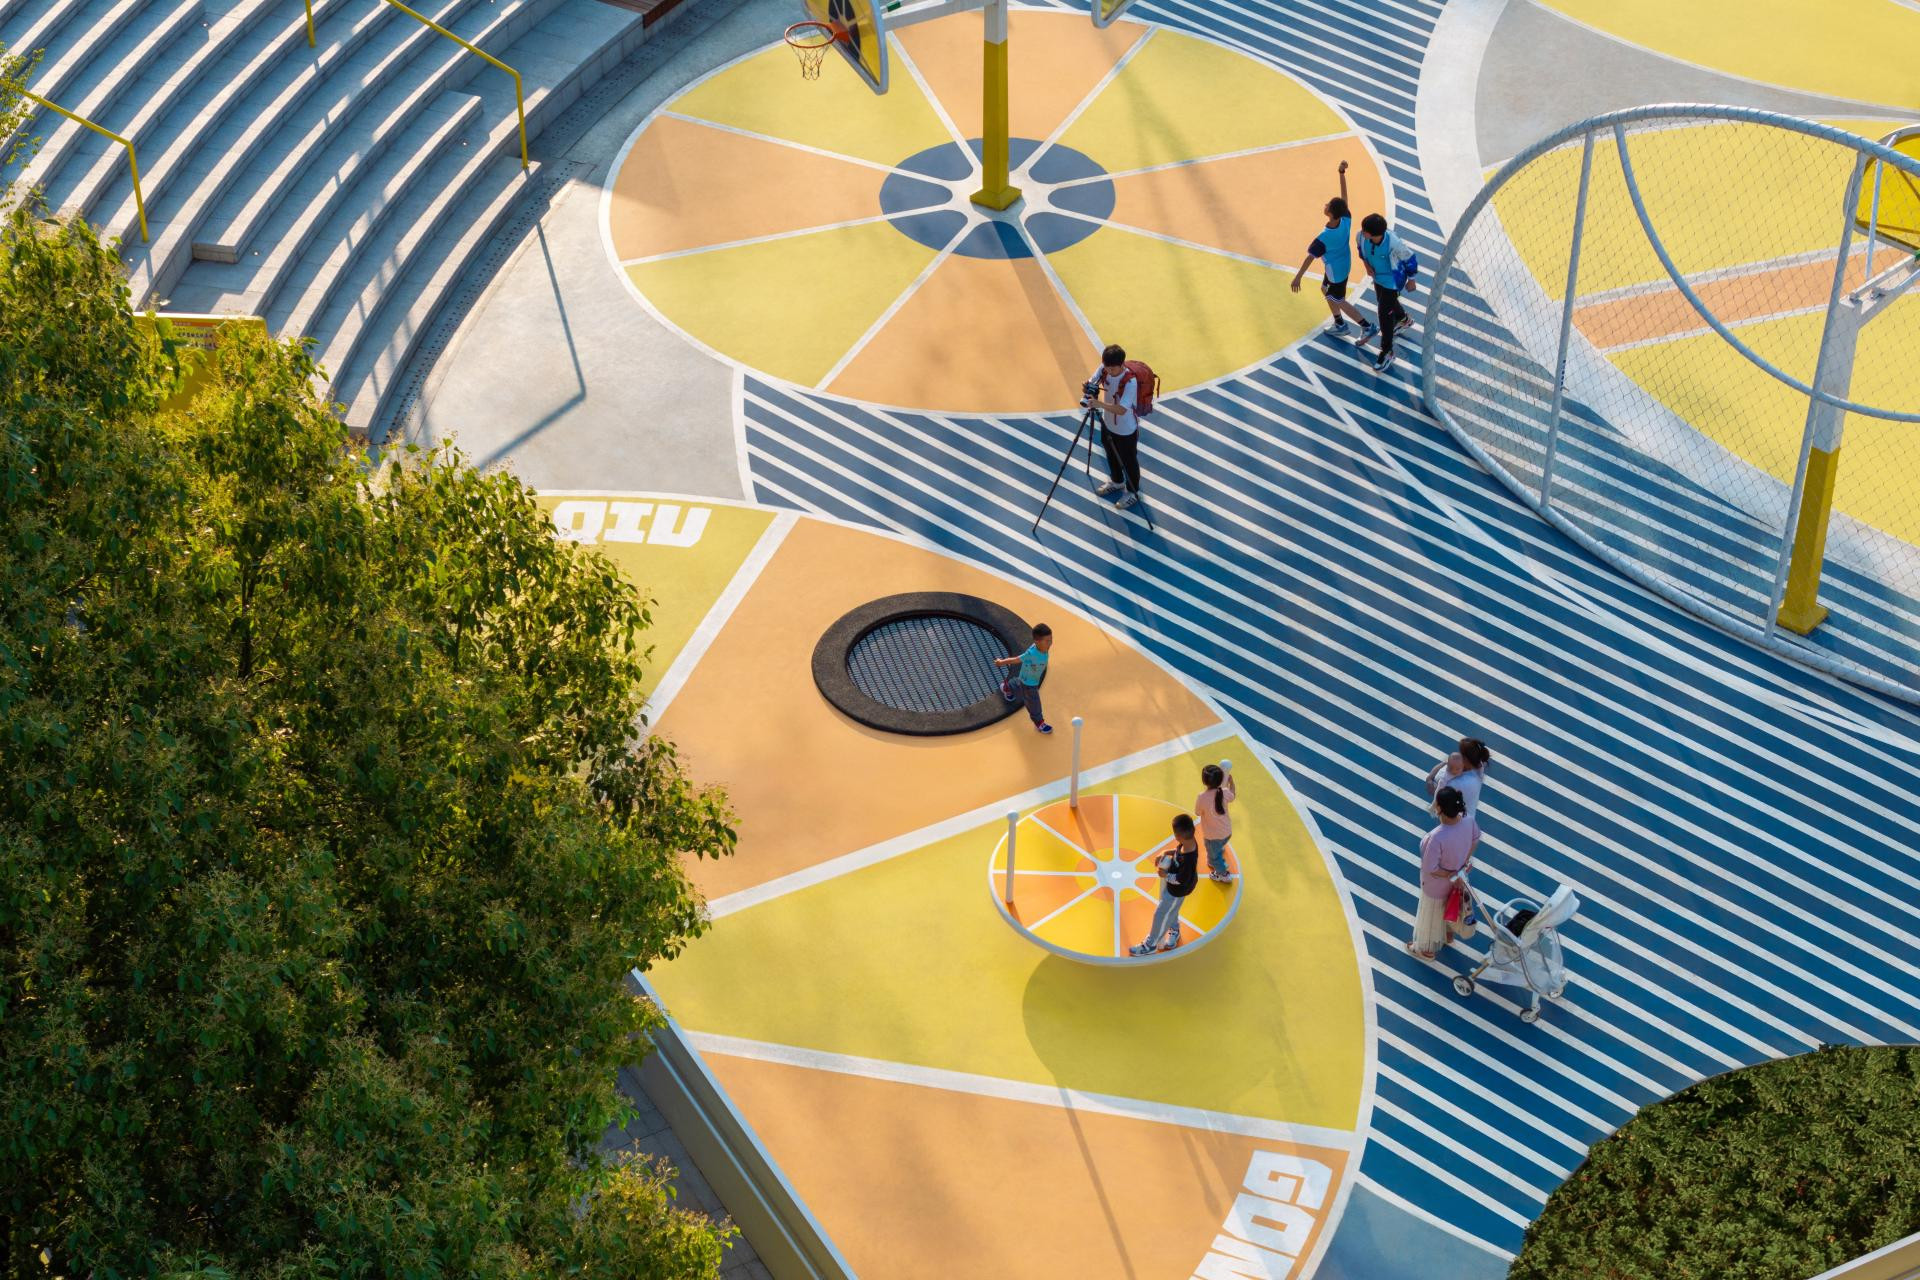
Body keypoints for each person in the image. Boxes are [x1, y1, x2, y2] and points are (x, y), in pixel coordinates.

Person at [1288, 161, 1372, 339]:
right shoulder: (1345, 219)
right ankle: (1340, 323)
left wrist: (1298, 277)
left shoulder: (1324, 237)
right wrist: (1341, 173)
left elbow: (1309, 258)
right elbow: (1344, 197)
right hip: (1343, 264)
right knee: (1325, 289)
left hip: (1336, 272)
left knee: (1338, 299)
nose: (1325, 204)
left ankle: (1367, 326)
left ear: (1331, 214)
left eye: (1327, 205)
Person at [1410, 785, 1479, 960]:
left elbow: (1431, 869)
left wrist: (1449, 874)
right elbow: (1475, 839)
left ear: (1439, 808)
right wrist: (1462, 866)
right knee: (1453, 906)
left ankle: (1426, 950)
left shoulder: (1436, 837)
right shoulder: (1469, 821)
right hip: (1459, 880)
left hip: (1436, 886)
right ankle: (1448, 936)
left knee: (1431, 916)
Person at [1353, 212, 1419, 374]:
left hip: (1392, 280)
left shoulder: (1394, 244)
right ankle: (1403, 319)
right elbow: (1361, 250)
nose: (1361, 232)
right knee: (1384, 302)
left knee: (1384, 313)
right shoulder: (1361, 237)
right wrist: (1367, 266)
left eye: (1365, 230)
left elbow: (1410, 259)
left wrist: (1411, 280)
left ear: (1373, 234)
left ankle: (1387, 352)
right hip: (1378, 277)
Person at [1085, 343, 1144, 510]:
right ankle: (1117, 481)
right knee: (1111, 454)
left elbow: (1122, 410)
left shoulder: (1130, 381)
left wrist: (1099, 404)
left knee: (1129, 461)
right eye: (1107, 367)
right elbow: (1092, 381)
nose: (1109, 371)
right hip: (1108, 424)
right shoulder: (1104, 368)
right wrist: (1087, 386)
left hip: (1126, 430)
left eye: (1112, 369)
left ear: (1122, 364)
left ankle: (1132, 492)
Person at [1132, 814, 1200, 956]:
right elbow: (1178, 852)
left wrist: (1165, 875)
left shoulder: (1189, 859)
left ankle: (1150, 945)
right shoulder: (1188, 842)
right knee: (1171, 910)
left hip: (1177, 891)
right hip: (1173, 888)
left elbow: (1181, 880)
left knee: (1160, 914)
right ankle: (1174, 930)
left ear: (1177, 836)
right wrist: (1166, 852)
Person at [992, 623, 1054, 735]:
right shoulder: (1031, 653)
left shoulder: (1043, 647)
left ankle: (1007, 687)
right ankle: (1039, 722)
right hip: (1030, 684)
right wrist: (1001, 662)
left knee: (1018, 685)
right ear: (1037, 642)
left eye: (1051, 639)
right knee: (1034, 703)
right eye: (1047, 641)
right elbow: (1016, 660)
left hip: (1027, 678)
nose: (1050, 643)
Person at [1425, 736, 1493, 818]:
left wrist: (1431, 781)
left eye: (1462, 753)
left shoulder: (1462, 783)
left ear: (1466, 759)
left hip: (1458, 819)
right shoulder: (1475, 765)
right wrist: (1429, 778)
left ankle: (1432, 807)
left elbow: (1441, 795)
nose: (1459, 755)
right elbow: (1444, 763)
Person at [1196, 761, 1237, 883]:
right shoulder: (1224, 792)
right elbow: (1233, 795)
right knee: (1217, 847)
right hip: (1227, 832)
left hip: (1212, 836)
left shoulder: (1202, 797)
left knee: (1214, 858)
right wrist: (1231, 782)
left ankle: (1223, 874)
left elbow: (1198, 812)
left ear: (1204, 781)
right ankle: (1216, 853)